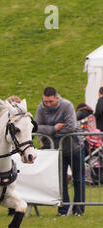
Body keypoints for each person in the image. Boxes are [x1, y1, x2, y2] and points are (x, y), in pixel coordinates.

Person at [35, 87, 85, 216]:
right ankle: (63, 210)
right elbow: (37, 127)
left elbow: (70, 127)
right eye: (45, 101)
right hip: (56, 151)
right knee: (60, 181)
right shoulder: (41, 108)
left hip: (74, 148)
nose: (48, 104)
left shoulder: (67, 105)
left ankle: (79, 209)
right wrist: (53, 129)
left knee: (78, 179)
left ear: (57, 98)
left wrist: (51, 133)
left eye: (51, 102)